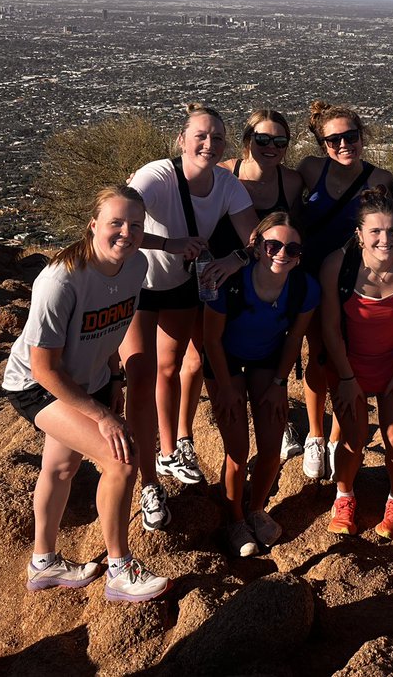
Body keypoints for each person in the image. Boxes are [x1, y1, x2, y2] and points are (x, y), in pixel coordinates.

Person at [2, 186, 170, 602]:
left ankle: (44, 562)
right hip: (37, 385)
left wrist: (112, 379)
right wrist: (101, 414)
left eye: (135, 225)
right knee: (121, 460)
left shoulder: (135, 266)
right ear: (93, 225)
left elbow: (111, 328)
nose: (126, 233)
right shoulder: (61, 280)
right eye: (115, 223)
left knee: (60, 470)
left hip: (89, 379)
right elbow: (43, 368)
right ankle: (119, 568)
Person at [121, 104, 258, 532]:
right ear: (181, 139)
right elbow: (120, 220)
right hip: (137, 283)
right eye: (201, 135)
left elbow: (258, 236)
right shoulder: (155, 176)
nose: (209, 144)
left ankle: (169, 450)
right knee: (140, 374)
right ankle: (146, 481)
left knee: (169, 366)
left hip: (180, 284)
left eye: (217, 138)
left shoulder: (226, 184)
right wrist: (170, 242)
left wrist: (238, 259)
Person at [319, 187, 393, 541]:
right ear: (360, 235)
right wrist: (347, 378)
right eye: (376, 232)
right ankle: (344, 497)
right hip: (348, 363)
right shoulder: (338, 266)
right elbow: (330, 329)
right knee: (353, 437)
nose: (386, 239)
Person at [203, 212, 320, 556]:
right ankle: (235, 518)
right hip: (225, 361)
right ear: (256, 247)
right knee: (237, 450)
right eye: (273, 245)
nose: (282, 253)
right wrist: (225, 388)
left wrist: (280, 383)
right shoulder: (229, 281)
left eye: (292, 248)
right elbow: (211, 340)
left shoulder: (304, 287)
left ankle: (256, 509)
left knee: (271, 446)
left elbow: (294, 338)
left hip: (267, 361)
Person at [296, 101, 393, 482]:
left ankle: (336, 435)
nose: (342, 144)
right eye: (332, 139)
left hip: (355, 282)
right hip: (310, 278)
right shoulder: (309, 169)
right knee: (317, 355)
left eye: (350, 136)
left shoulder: (379, 177)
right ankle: (315, 436)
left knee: (344, 359)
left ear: (361, 136)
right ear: (322, 144)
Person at [206, 109, 306, 461]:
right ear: (247, 140)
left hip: (269, 282)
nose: (271, 146)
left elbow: (291, 227)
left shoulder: (291, 182)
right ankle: (182, 441)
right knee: (198, 356)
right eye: (262, 139)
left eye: (280, 141)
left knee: (272, 345)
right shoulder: (223, 173)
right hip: (221, 281)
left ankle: (279, 423)